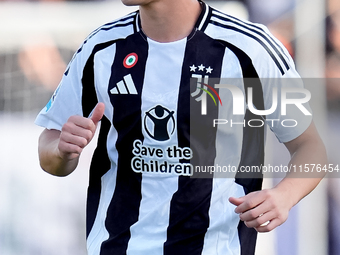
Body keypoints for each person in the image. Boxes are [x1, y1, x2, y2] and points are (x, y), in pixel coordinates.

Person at [36, 0, 327, 254]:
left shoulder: (250, 49)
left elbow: (310, 148)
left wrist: (284, 196)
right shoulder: (100, 48)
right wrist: (62, 151)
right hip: (117, 247)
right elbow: (49, 150)